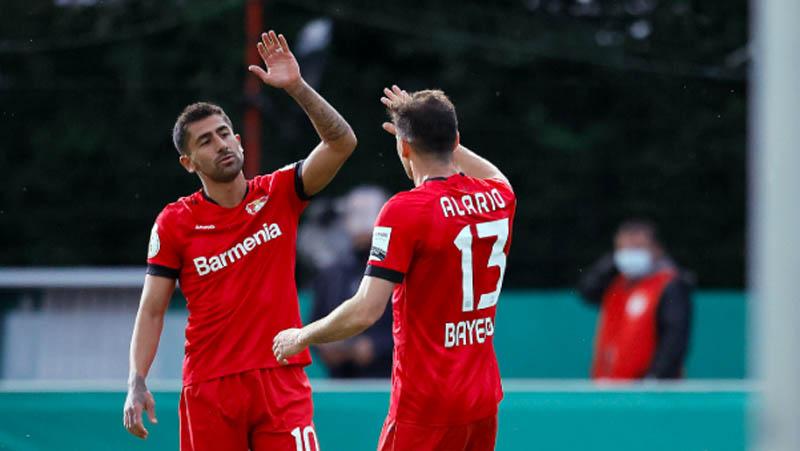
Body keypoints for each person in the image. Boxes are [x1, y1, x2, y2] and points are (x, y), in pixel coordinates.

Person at [122, 30, 357, 451]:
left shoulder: (280, 192)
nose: (220, 144)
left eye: (224, 133)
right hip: (211, 388)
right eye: (206, 141)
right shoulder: (175, 222)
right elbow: (152, 308)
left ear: (239, 140)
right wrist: (136, 380)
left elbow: (342, 143)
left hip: (281, 377)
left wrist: (297, 87)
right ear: (188, 162)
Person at [274, 86, 516, 450]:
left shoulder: (405, 210)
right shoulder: (499, 197)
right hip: (481, 398)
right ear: (456, 140)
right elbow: (497, 176)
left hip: (426, 404)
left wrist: (301, 337)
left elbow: (365, 311)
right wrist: (432, 129)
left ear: (404, 146)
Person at [577, 219, 693, 380]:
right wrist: (609, 263)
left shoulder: (669, 285)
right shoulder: (616, 283)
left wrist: (656, 378)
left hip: (648, 386)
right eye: (624, 249)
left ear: (657, 249)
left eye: (637, 247)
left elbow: (674, 338)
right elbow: (587, 291)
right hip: (610, 382)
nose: (630, 254)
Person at [310, 186, 394, 378]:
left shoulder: (397, 269)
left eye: (366, 215)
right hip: (341, 381)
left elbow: (414, 324)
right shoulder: (332, 273)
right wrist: (324, 344)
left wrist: (378, 345)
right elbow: (316, 321)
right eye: (355, 215)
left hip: (386, 378)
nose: (360, 226)